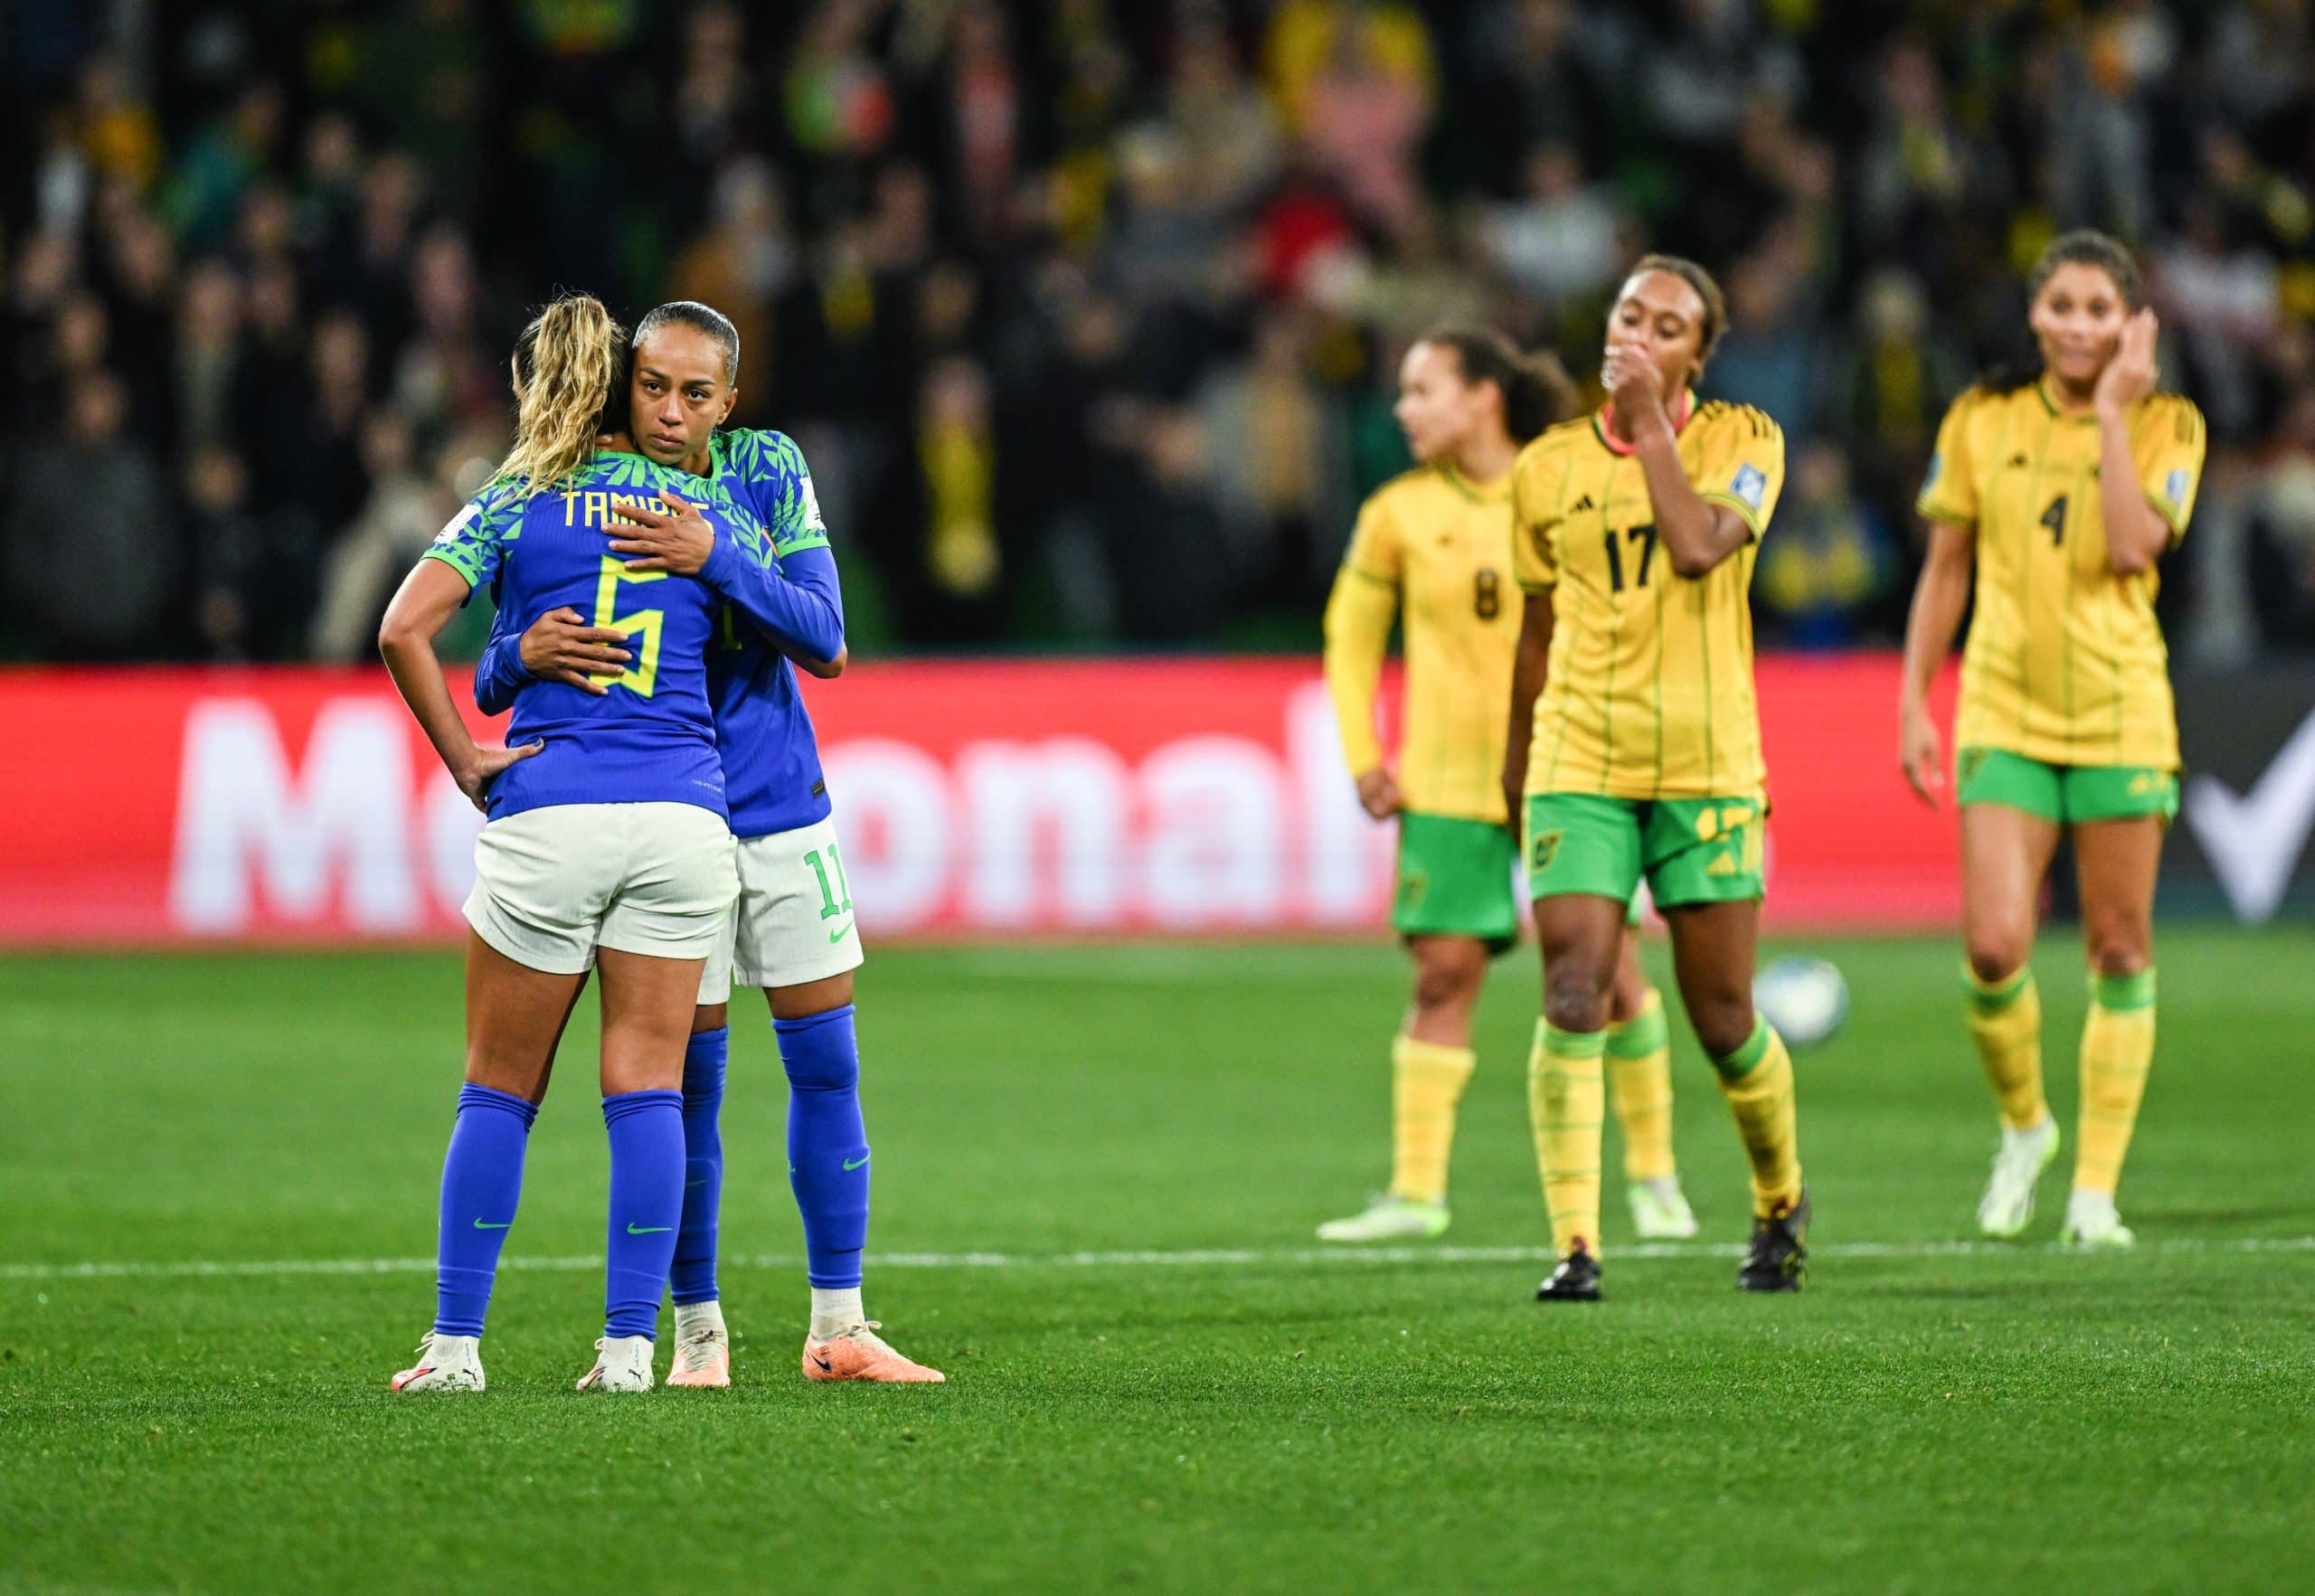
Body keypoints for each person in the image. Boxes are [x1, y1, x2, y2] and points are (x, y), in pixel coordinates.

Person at [476, 301, 942, 1384]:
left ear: (729, 402)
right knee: (686, 1084)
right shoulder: (568, 478)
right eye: (652, 387)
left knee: (827, 1063)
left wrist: (714, 553)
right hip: (666, 813)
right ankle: (698, 1332)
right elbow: (510, 635)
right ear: (621, 384)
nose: (671, 411)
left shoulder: (766, 471)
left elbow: (824, 637)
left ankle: (840, 1324)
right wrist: (513, 657)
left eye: (695, 394)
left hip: (778, 801)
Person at [378, 294, 750, 1393]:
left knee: (498, 1089)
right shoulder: (697, 501)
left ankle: (455, 1350)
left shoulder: (517, 496)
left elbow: (402, 627)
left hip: (550, 807)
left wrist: (464, 751)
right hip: (683, 819)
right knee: (647, 1088)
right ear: (627, 386)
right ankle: (632, 1349)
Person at [1317, 327, 1697, 1245]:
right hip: (1447, 778)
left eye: (1421, 389)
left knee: (1612, 977)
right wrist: (1364, 749)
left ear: (1482, 395)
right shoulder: (1397, 512)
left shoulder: (1567, 485)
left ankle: (1654, 1177)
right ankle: (1416, 1194)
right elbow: (1351, 637)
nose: (1403, 409)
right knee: (1442, 973)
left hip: (1565, 768)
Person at [1504, 256, 1809, 1301]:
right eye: (1628, 313)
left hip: (1706, 767)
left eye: (1667, 325)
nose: (1638, 332)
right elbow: (1535, 632)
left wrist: (1650, 431)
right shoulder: (1543, 467)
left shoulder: (1745, 441)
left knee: (1721, 1016)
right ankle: (1575, 1243)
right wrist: (1517, 777)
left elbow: (1691, 547)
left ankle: (1778, 1197)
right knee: (1575, 985)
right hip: (1579, 760)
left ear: (1698, 355)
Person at [1898, 231, 2206, 1248]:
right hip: (2003, 708)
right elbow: (1945, 566)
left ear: (2130, 324)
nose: (2077, 326)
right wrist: (1912, 702)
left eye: (2097, 309)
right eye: (2061, 306)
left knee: (2118, 946)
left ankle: (2092, 1193)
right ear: (2033, 316)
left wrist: (2114, 414)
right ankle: (2025, 1126)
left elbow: (2129, 544)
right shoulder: (1982, 418)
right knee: (1993, 946)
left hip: (2120, 710)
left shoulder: (2169, 424)